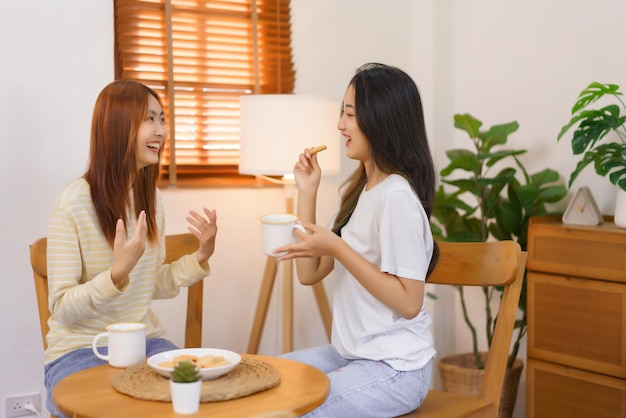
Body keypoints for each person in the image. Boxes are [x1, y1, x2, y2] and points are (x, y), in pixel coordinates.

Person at [43, 80, 218, 417]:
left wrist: (201, 256)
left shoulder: (150, 200)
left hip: (145, 344)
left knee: (200, 400)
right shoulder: (72, 203)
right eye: (149, 119)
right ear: (117, 126)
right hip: (79, 351)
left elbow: (152, 284)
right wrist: (116, 273)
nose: (161, 131)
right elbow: (62, 308)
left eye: (162, 119)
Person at [275, 63, 438, 417]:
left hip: (397, 368)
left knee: (296, 410)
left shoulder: (397, 197)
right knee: (268, 379)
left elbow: (410, 302)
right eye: (342, 113)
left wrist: (338, 248)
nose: (340, 125)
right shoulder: (358, 191)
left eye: (350, 114)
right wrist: (308, 191)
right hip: (351, 354)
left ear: (380, 119)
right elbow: (309, 273)